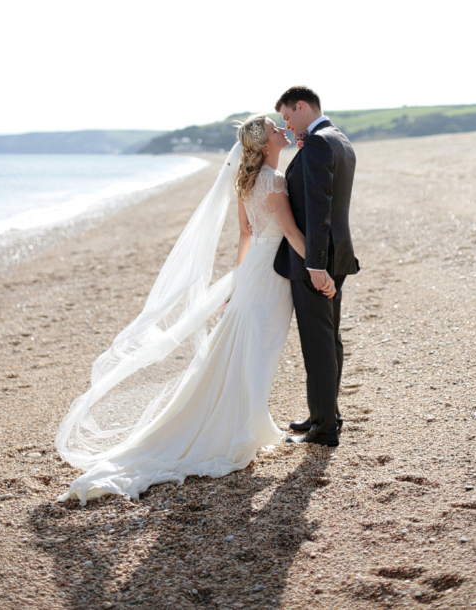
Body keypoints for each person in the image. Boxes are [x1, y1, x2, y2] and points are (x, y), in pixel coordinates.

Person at [56, 115, 310, 505]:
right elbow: (291, 232)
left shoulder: (246, 182)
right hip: (268, 277)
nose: (282, 131)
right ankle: (246, 430)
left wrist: (238, 279)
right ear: (263, 145)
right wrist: (318, 268)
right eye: (276, 130)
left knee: (242, 348)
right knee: (261, 348)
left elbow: (245, 234)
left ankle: (250, 423)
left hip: (251, 272)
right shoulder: (274, 181)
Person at [274, 86, 360, 448]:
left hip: (315, 261)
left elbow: (318, 210)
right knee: (329, 337)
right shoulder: (340, 138)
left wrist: (314, 266)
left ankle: (325, 428)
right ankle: (326, 412)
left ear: (302, 106)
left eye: (288, 117)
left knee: (318, 342)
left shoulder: (319, 143)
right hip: (335, 255)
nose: (287, 125)